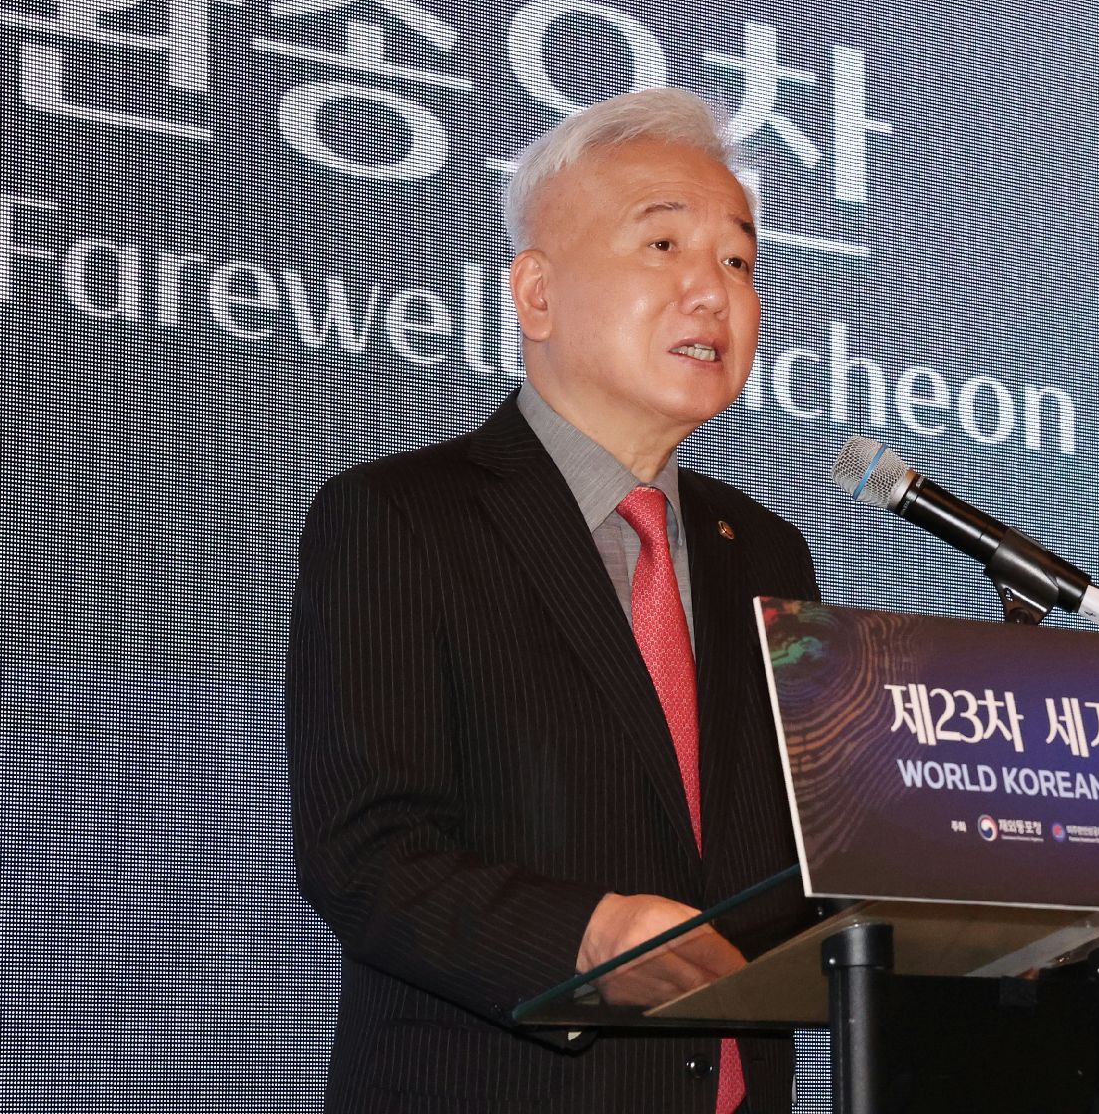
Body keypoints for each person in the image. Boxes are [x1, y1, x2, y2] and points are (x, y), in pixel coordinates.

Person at [285, 87, 819, 1113]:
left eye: (739, 262)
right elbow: (366, 853)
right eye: (663, 245)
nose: (713, 292)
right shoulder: (402, 518)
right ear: (535, 295)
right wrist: (585, 935)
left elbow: (790, 867)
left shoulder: (764, 551)